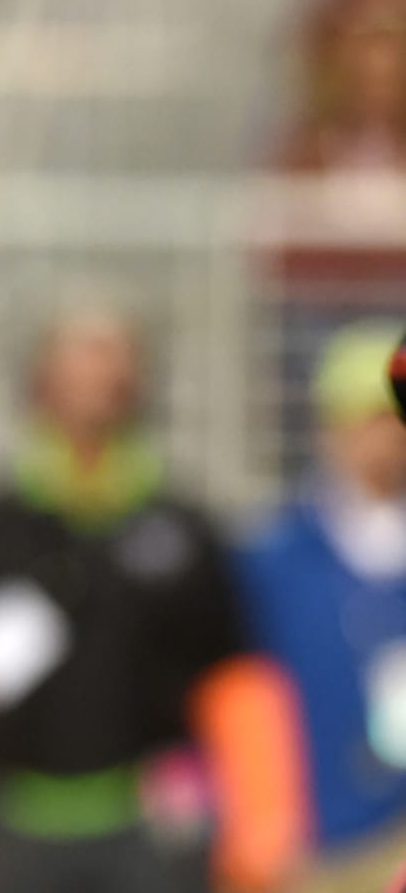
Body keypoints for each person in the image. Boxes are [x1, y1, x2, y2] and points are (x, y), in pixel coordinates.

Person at [0, 302, 301, 893]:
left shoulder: (187, 531)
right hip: (6, 833)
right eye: (75, 362)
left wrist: (261, 840)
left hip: (150, 835)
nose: (93, 381)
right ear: (39, 386)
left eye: (110, 362)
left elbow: (236, 686)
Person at [234, 319, 406, 893]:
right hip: (315, 843)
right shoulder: (273, 560)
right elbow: (243, 698)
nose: (388, 438)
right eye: (372, 418)